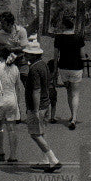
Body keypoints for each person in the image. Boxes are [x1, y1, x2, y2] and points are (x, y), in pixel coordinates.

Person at [23, 36, 61, 171]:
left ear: (32, 55)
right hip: (46, 103)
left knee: (35, 134)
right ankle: (46, 160)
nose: (25, 55)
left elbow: (36, 90)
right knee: (41, 132)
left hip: (37, 106)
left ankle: (53, 159)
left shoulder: (34, 69)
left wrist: (35, 109)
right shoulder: (43, 65)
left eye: (27, 54)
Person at [0, 45, 22, 162]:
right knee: (12, 129)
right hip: (12, 99)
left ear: (0, 55)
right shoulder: (16, 69)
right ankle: (13, 155)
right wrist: (18, 103)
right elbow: (18, 88)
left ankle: (1, 150)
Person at [52, 13, 85, 128]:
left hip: (63, 67)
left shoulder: (58, 37)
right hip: (76, 67)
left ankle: (72, 114)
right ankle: (74, 117)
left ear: (63, 25)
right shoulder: (78, 37)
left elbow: (55, 56)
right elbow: (82, 54)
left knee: (69, 92)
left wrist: (55, 69)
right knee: (76, 93)